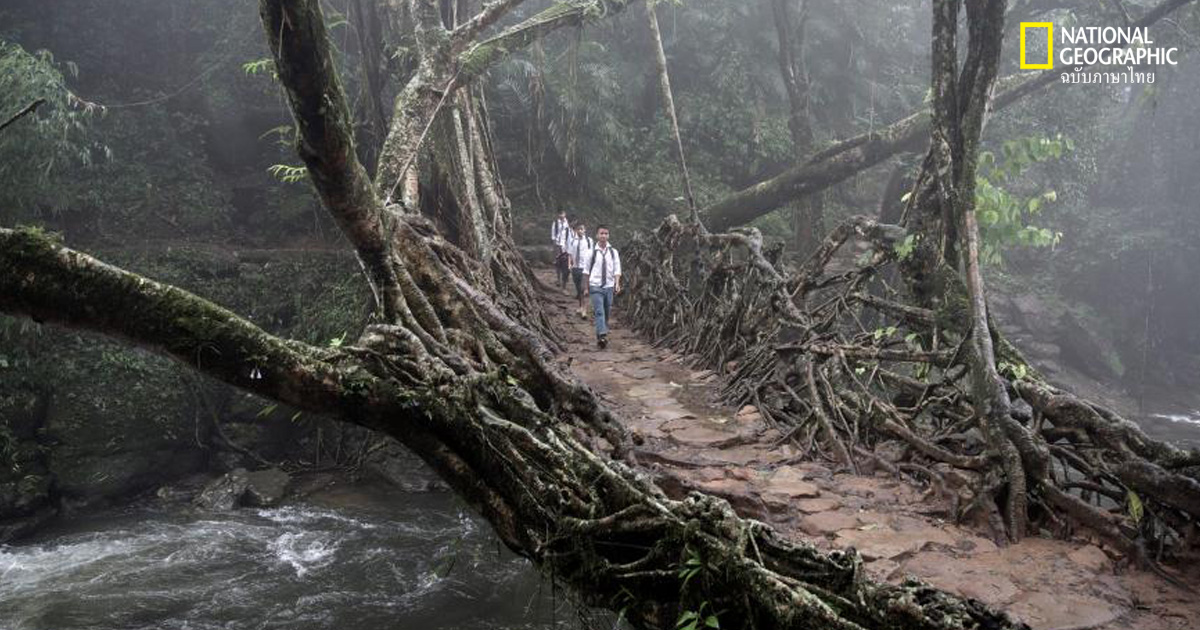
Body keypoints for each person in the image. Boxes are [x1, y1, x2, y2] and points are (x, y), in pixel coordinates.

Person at [586, 225, 621, 349]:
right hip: (595, 286)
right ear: (597, 235)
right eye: (601, 233)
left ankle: (601, 335)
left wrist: (617, 284)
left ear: (609, 235)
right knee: (599, 311)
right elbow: (586, 271)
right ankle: (602, 335)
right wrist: (586, 287)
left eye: (606, 233)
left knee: (606, 311)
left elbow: (617, 269)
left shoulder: (613, 252)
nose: (604, 236)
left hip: (609, 286)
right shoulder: (591, 252)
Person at [567, 222, 593, 319]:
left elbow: (592, 254)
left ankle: (584, 310)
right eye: (579, 229)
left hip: (585, 268)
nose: (581, 231)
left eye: (582, 229)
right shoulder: (573, 241)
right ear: (576, 230)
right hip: (575, 268)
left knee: (583, 288)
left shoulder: (589, 241)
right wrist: (569, 264)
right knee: (578, 289)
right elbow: (570, 254)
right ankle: (580, 306)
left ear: (585, 230)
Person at [550, 209, 571, 289]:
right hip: (558, 244)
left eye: (562, 213)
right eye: (560, 214)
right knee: (558, 262)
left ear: (565, 214)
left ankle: (565, 278)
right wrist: (555, 244)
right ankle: (558, 279)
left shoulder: (568, 223)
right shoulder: (555, 223)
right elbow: (553, 234)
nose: (561, 215)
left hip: (566, 244)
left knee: (566, 262)